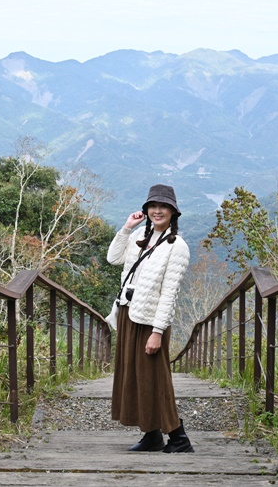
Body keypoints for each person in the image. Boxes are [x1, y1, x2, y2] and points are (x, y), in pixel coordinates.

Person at [105, 183, 193, 453]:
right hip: (129, 315)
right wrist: (126, 227)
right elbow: (112, 258)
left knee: (155, 378)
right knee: (136, 377)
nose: (157, 211)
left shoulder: (177, 246)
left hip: (150, 322)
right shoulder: (138, 237)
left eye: (163, 206)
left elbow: (169, 294)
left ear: (173, 212)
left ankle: (178, 438)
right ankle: (152, 435)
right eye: (153, 206)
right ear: (146, 209)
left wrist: (157, 331)